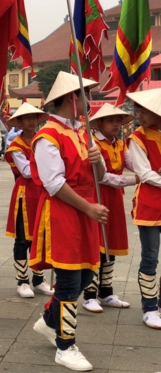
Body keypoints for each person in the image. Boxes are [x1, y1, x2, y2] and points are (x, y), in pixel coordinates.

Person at [30, 71, 107, 371]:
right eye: (85, 95)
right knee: (69, 279)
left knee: (87, 274)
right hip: (64, 212)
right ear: (73, 98)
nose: (89, 100)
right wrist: (88, 208)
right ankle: (65, 346)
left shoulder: (83, 132)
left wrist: (98, 162)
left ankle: (50, 321)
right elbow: (53, 183)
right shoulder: (47, 136)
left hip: (85, 210)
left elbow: (99, 176)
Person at [81, 104, 136, 312]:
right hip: (97, 195)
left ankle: (106, 291)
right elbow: (102, 177)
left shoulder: (120, 144)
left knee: (111, 242)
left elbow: (135, 165)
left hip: (115, 198)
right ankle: (89, 294)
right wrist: (135, 180)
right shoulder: (93, 144)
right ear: (100, 123)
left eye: (118, 121)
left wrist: (149, 168)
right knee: (97, 243)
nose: (115, 125)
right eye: (110, 121)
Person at [4, 103, 53, 298]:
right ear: (20, 122)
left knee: (40, 237)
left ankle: (39, 279)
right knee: (23, 239)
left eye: (34, 117)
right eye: (27, 118)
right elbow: (26, 171)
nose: (31, 121)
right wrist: (49, 165)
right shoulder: (16, 146)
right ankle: (22, 281)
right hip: (25, 195)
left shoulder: (43, 140)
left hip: (42, 192)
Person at [126, 89, 161, 329]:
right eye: (137, 110)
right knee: (150, 257)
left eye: (144, 111)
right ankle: (149, 308)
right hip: (149, 203)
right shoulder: (137, 137)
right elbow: (145, 173)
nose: (139, 115)